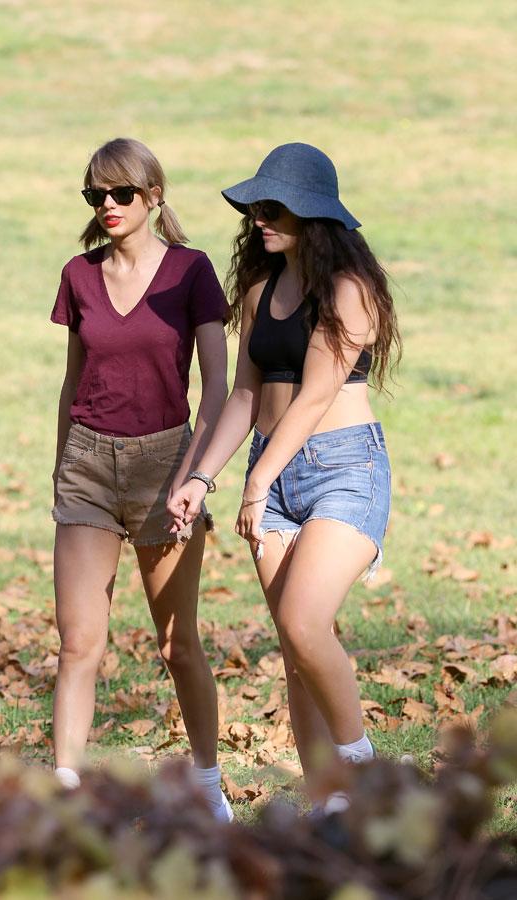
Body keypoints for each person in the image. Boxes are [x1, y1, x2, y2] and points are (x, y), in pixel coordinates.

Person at [167, 142, 401, 814]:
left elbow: (317, 392)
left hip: (342, 471)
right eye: (256, 207)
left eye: (275, 208)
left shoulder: (350, 291)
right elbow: (244, 396)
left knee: (304, 622)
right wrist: (203, 477)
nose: (259, 217)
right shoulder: (261, 290)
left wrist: (256, 481)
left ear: (313, 215)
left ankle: (363, 770)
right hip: (270, 472)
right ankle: (330, 802)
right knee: (297, 649)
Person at [50, 137, 233, 821]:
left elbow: (216, 386)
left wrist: (198, 475)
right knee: (78, 644)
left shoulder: (191, 272)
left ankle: (211, 785)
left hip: (167, 466)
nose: (107, 205)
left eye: (121, 193)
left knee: (177, 643)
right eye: (95, 193)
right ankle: (64, 794)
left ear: (154, 196)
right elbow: (71, 384)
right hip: (88, 469)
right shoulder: (78, 273)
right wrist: (62, 466)